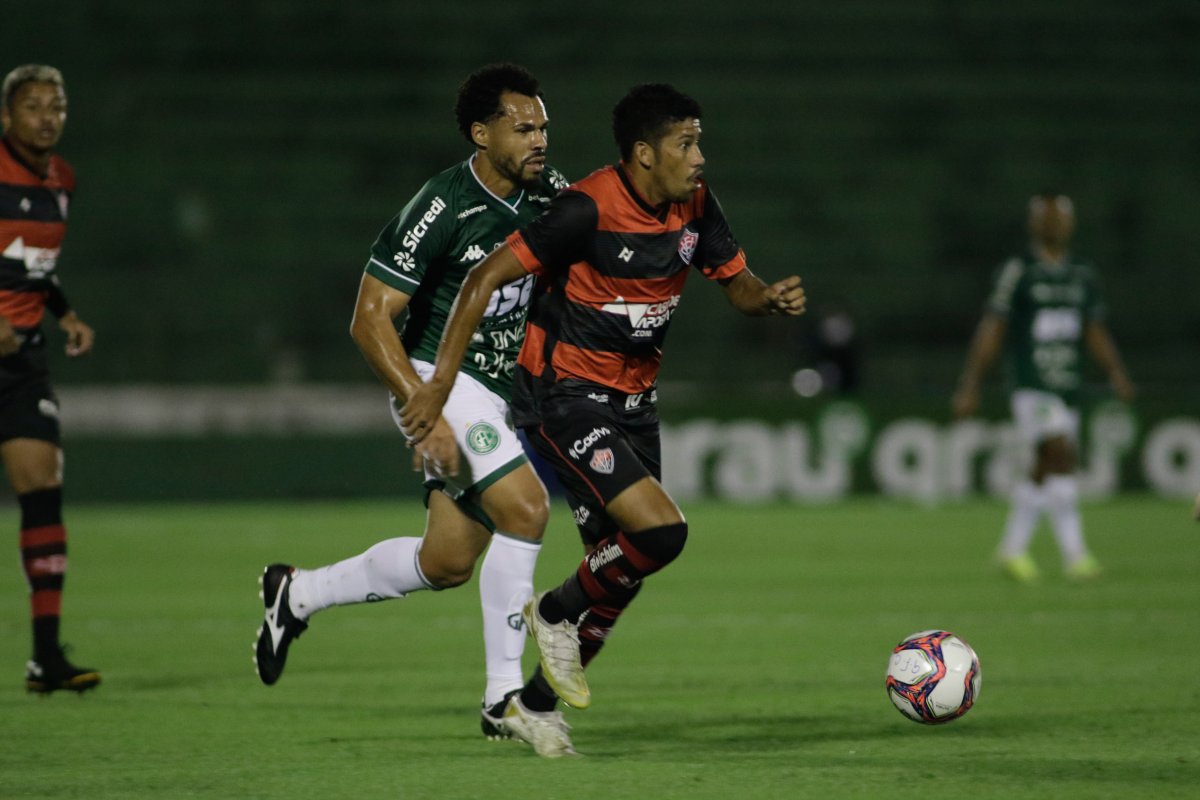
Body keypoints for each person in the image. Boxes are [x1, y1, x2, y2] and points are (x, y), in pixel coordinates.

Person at [402, 83, 806, 756]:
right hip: (564, 397)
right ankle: (553, 610)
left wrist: (764, 297)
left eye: (699, 140)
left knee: (620, 567)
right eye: (686, 143)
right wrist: (440, 382)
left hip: (636, 405)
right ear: (644, 154)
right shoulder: (584, 209)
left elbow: (733, 280)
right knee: (662, 532)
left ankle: (532, 706)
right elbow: (481, 281)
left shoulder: (695, 205)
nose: (700, 156)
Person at [254, 64, 569, 740]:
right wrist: (420, 410)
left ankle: (297, 593)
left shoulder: (554, 198)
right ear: (481, 135)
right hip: (439, 380)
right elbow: (370, 317)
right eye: (523, 128)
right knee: (528, 508)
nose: (539, 140)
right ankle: (503, 699)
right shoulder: (442, 206)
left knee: (449, 561)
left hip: (498, 394)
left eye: (543, 126)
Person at [952, 193, 1134, 581]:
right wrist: (971, 382)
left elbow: (1093, 330)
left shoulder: (1082, 274)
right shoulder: (1019, 271)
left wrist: (1115, 371)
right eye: (1045, 218)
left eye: (1059, 218)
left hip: (1067, 386)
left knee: (1044, 465)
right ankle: (1077, 556)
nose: (1052, 225)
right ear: (1033, 225)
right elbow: (993, 327)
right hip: (1031, 384)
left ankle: (1012, 549)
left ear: (1071, 225)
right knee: (1060, 453)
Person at [0, 64, 99, 694]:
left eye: (55, 106)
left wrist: (66, 313)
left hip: (20, 362)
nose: (46, 117)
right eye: (33, 106)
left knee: (42, 485)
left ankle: (45, 660)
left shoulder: (61, 178)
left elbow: (33, 265)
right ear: (7, 117)